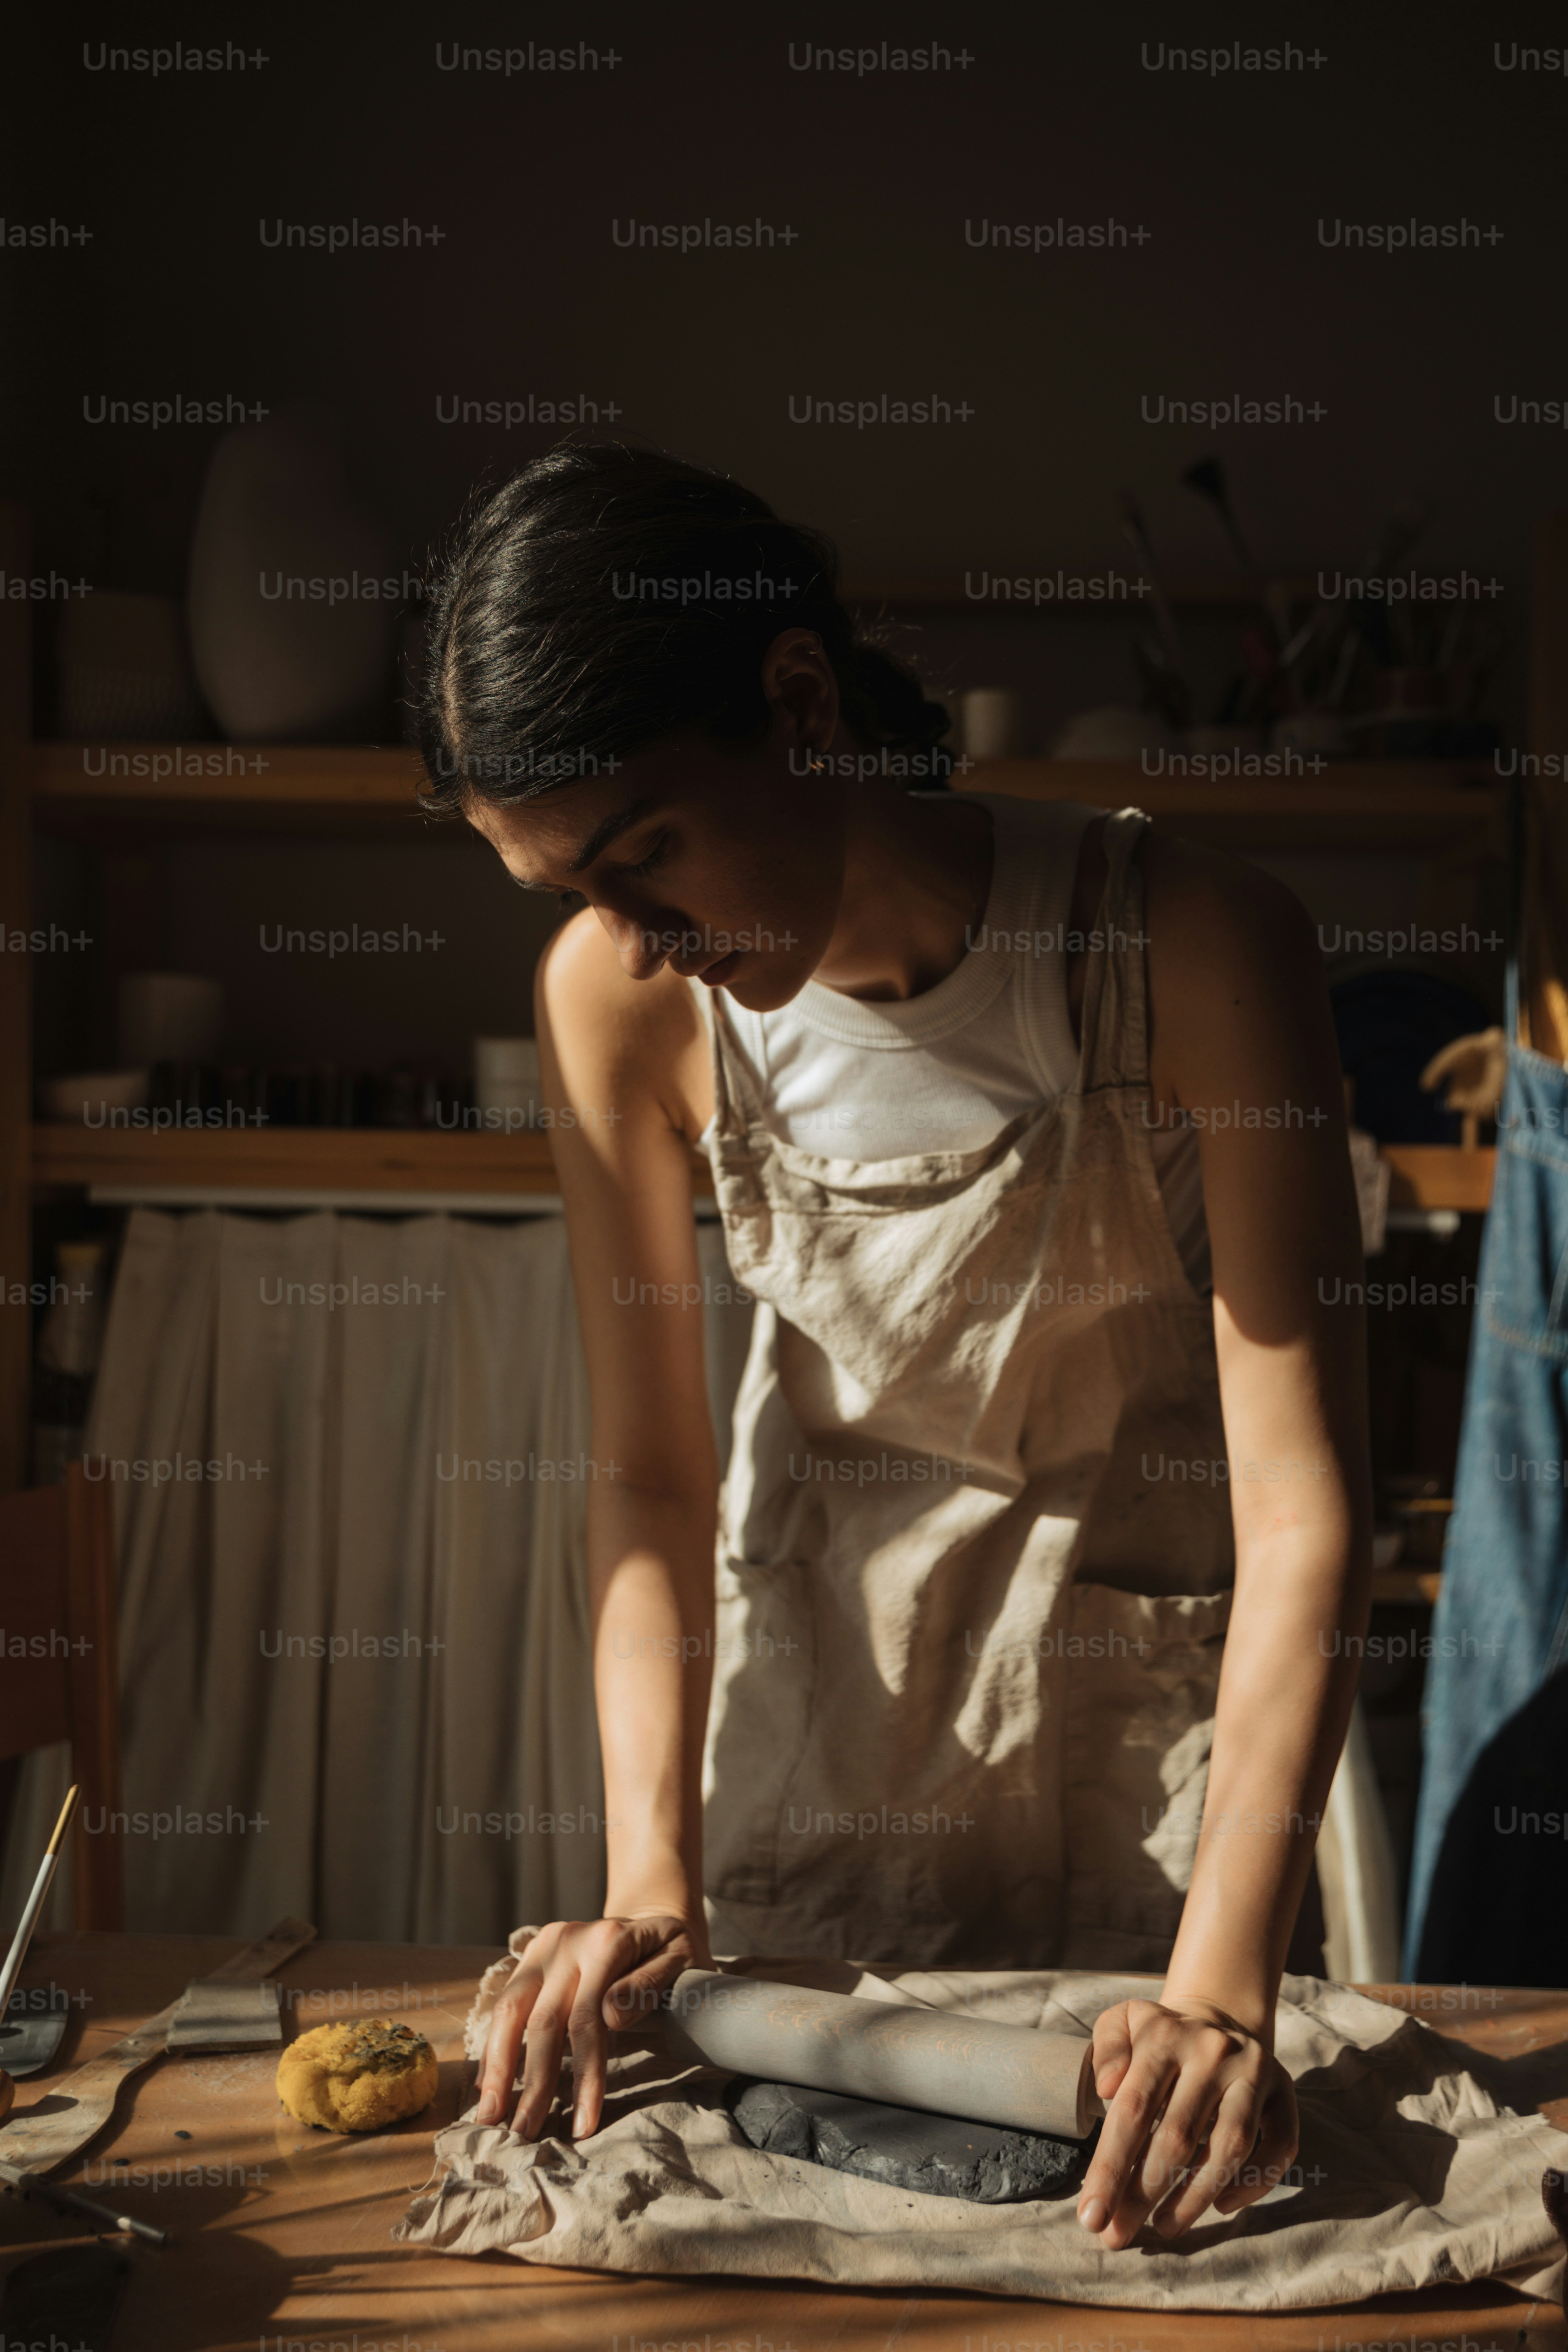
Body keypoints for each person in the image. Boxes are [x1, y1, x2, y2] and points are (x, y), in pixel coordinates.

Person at [416, 443, 1372, 2249]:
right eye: (571, 895)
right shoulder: (620, 1009)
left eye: (646, 858)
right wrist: (646, 1877)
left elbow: (1304, 1499)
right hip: (821, 1754)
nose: (631, 938)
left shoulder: (1189, 941)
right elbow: (647, 1481)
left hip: (1157, 1777)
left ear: (795, 702)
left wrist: (1224, 1987)